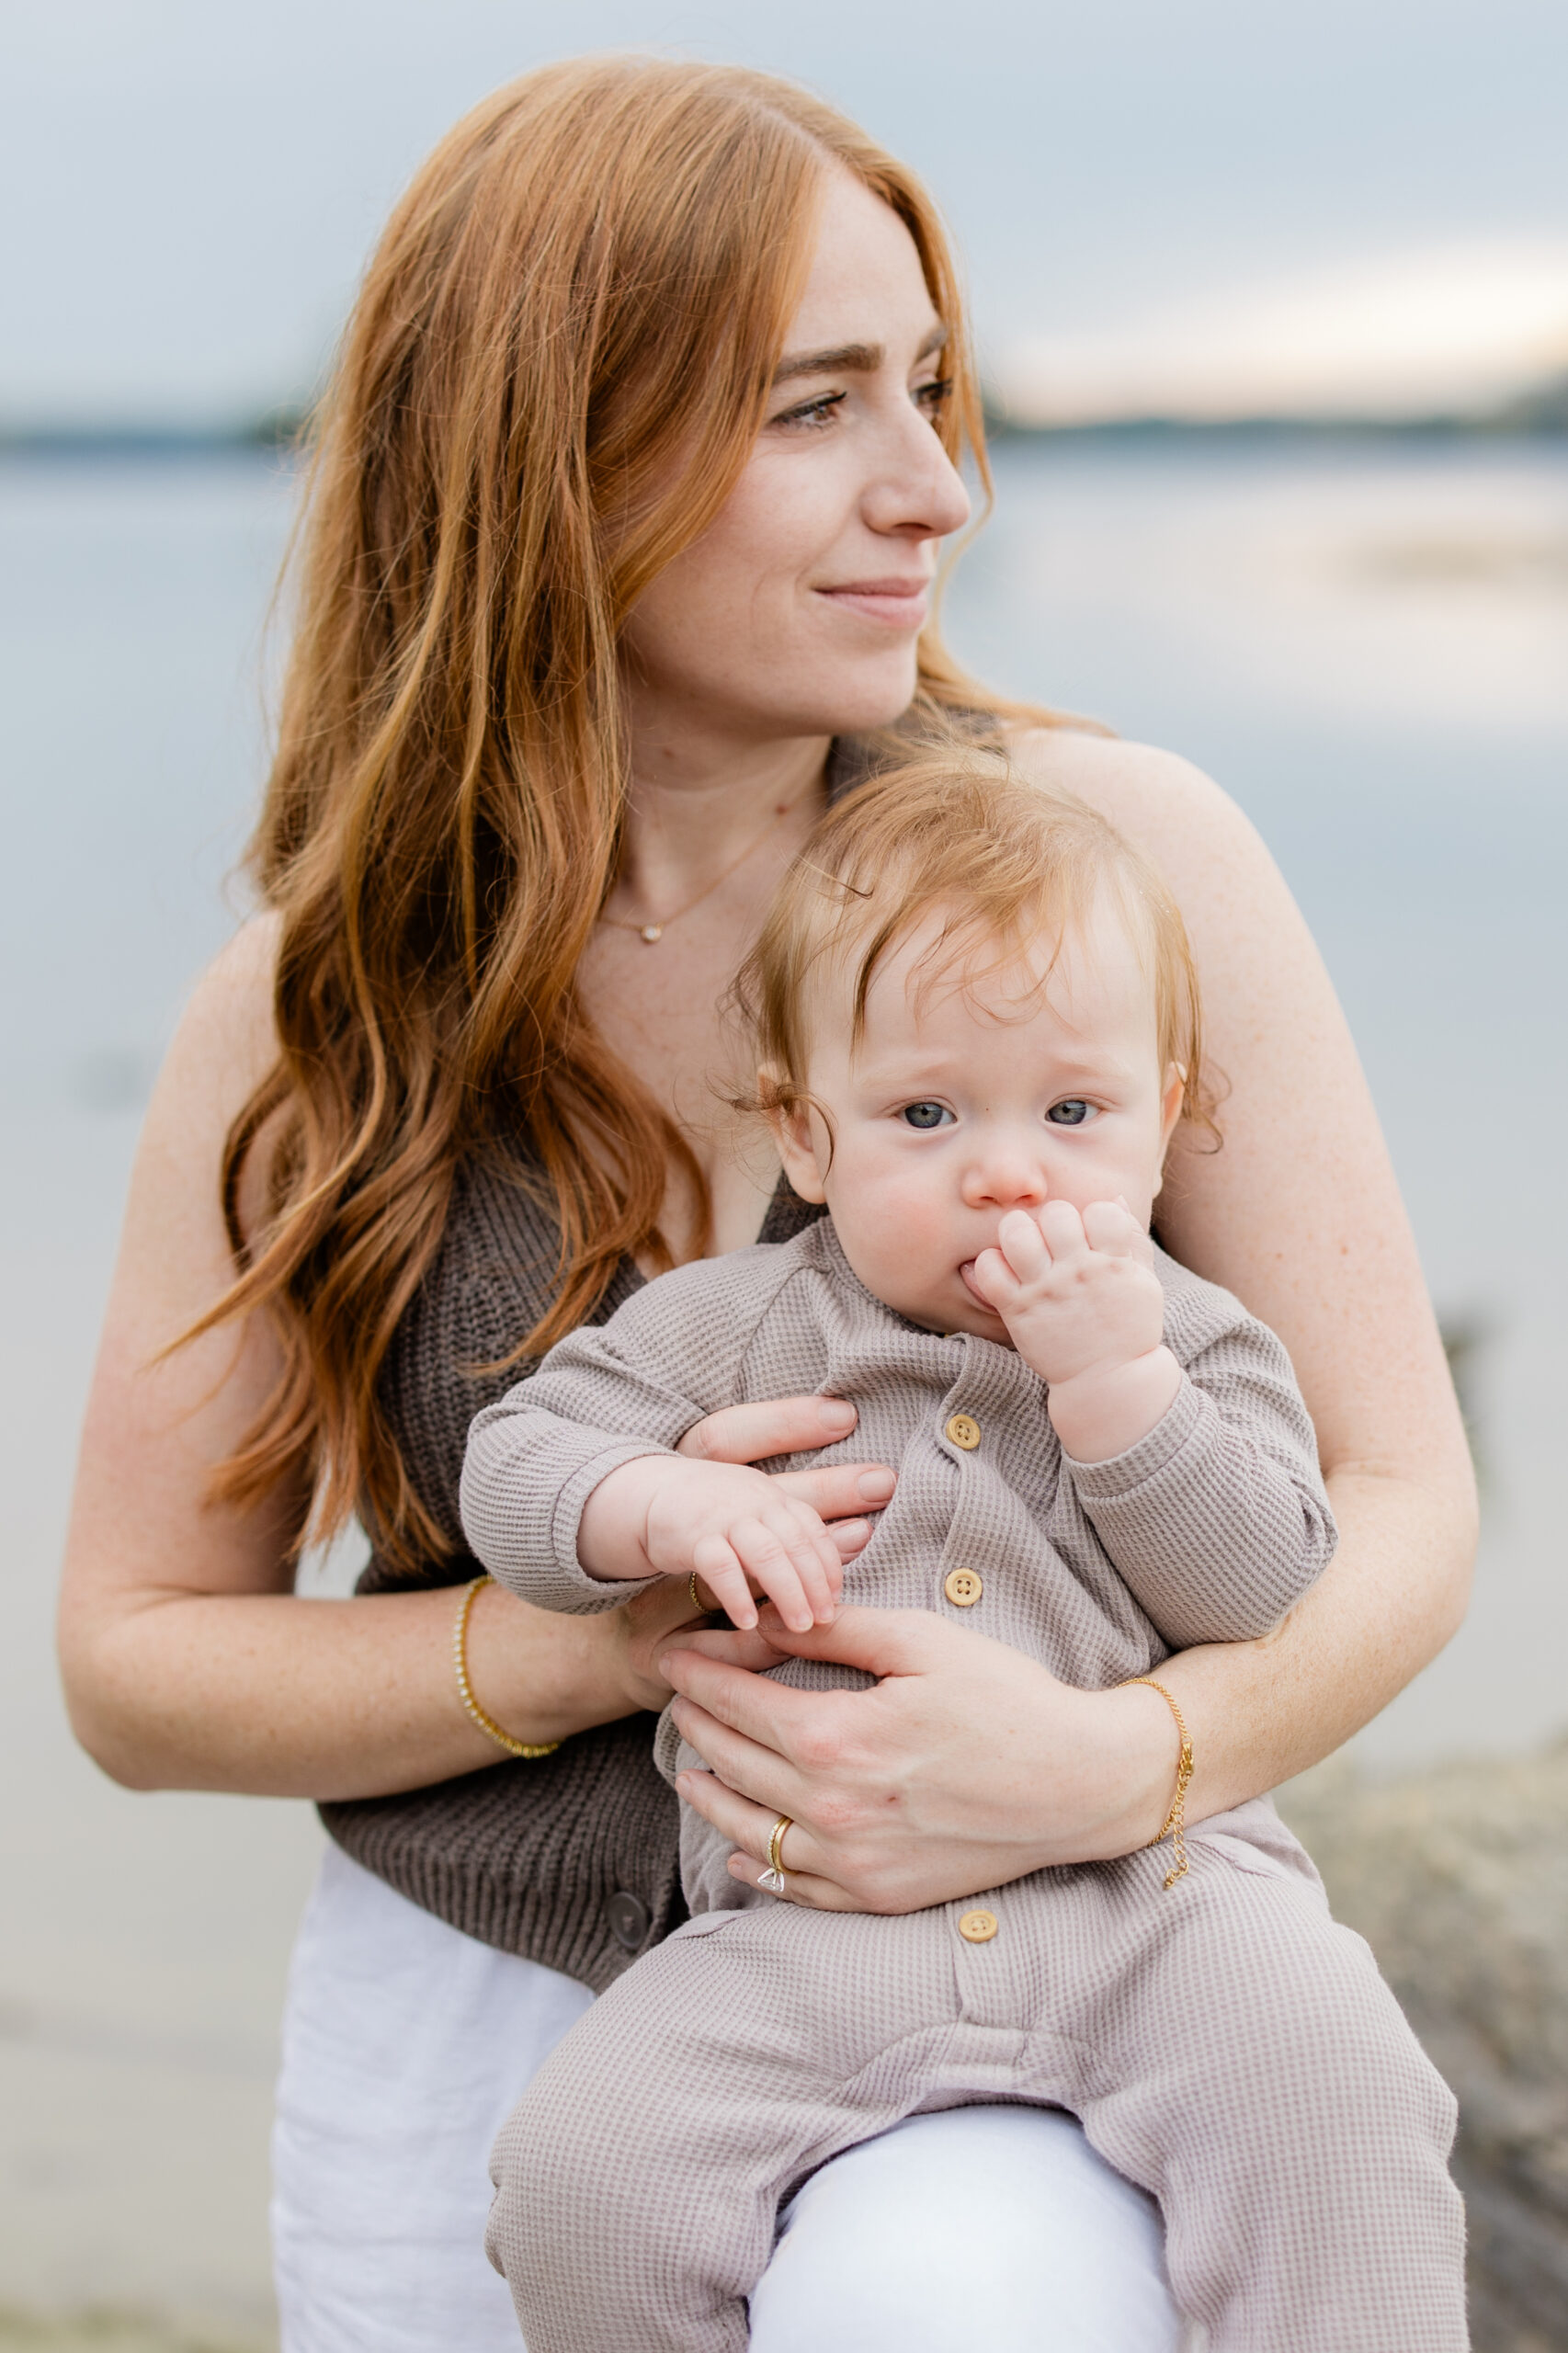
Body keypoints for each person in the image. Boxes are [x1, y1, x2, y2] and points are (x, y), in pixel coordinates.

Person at [54, 53, 1475, 2353]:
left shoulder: (1115, 865)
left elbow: (1406, 1497)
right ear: (557, 449)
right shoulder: (313, 1007)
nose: (933, 488)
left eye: (929, 388)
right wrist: (606, 1638)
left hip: (1055, 1923)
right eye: (816, 408)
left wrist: (1134, 1756)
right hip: (483, 2011)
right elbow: (133, 1662)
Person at [461, 756, 1464, 2352]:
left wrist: (1116, 1391)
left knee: (1342, 2103)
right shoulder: (728, 1328)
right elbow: (512, 1474)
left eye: (1072, 1113)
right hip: (799, 1936)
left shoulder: (1197, 1342)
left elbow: (1264, 1584)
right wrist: (664, 1508)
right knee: (577, 2175)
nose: (1008, 1170)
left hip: (1162, 1909)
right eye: (926, 1115)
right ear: (808, 1137)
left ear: (1163, 1127)